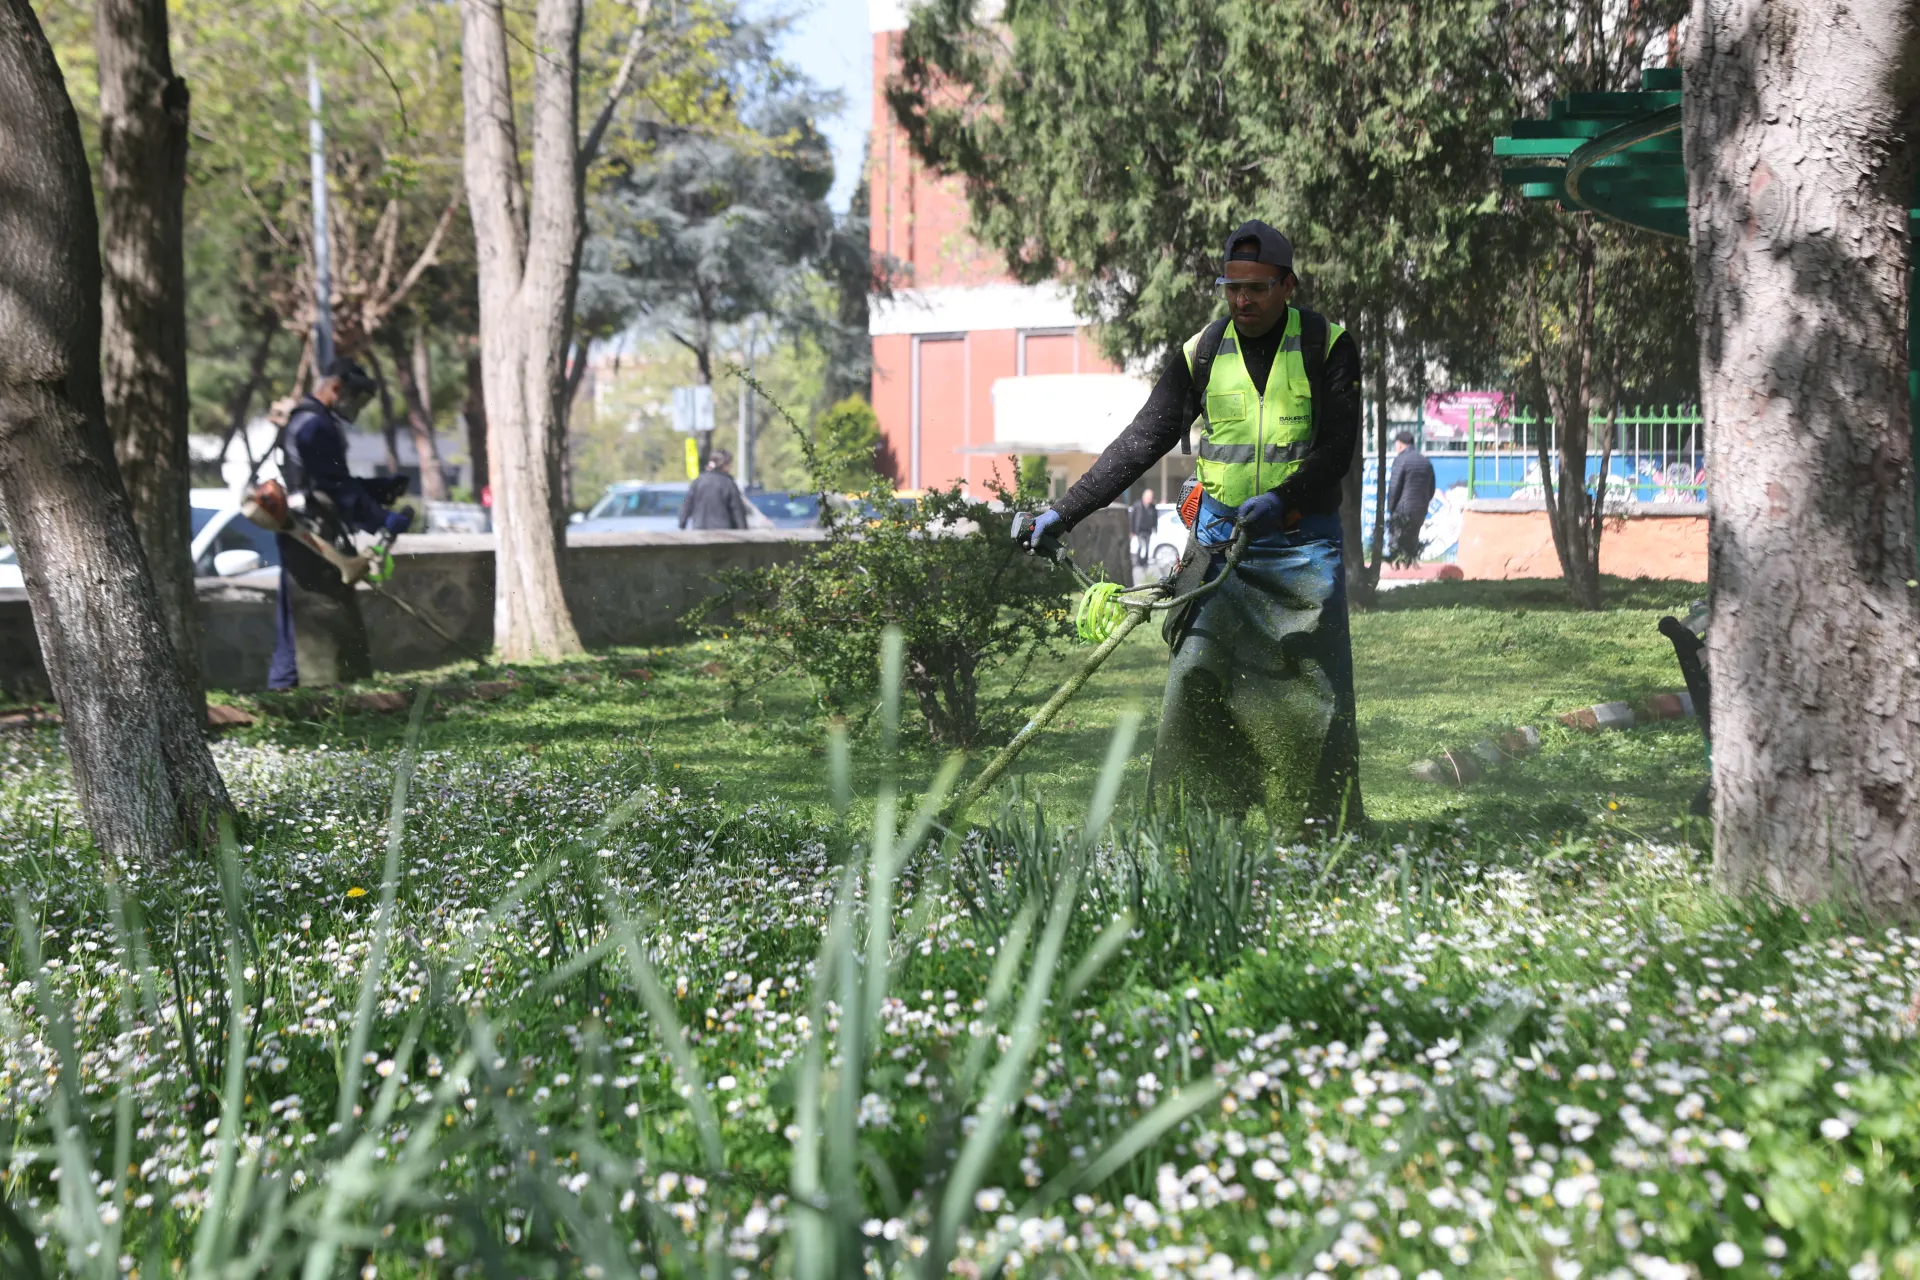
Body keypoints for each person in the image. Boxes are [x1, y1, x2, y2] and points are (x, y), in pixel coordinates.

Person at [1016, 220, 1365, 830]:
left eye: (1256, 288)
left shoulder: (1328, 346)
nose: (1242, 301)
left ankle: (1318, 831)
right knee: (1196, 684)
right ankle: (1190, 830)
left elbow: (1337, 450)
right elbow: (1141, 441)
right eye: (1232, 287)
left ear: (1288, 285)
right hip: (1219, 551)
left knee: (1312, 695)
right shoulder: (1201, 353)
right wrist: (1062, 513)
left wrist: (1283, 497)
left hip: (1303, 548)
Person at [267, 358, 413, 690]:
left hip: (304, 531)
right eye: (356, 400)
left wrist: (379, 489)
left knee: (300, 611)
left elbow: (329, 481)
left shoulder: (306, 419)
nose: (358, 409)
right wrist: (380, 519)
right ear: (335, 388)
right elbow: (332, 488)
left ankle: (285, 686)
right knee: (324, 612)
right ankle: (337, 691)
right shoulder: (314, 426)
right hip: (313, 535)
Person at [1385, 430, 1435, 565]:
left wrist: (1390, 507)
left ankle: (1396, 572)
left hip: (1402, 509)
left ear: (1400, 444)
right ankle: (1411, 571)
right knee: (1412, 542)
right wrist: (1423, 504)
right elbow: (1431, 488)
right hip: (1420, 509)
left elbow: (1394, 487)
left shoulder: (1400, 460)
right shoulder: (1425, 461)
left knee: (1396, 543)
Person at [680, 448, 750, 530]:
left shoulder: (698, 481)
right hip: (724, 533)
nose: (731, 467)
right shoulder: (728, 483)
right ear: (724, 465)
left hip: (700, 531)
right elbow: (737, 510)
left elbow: (687, 505)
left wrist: (682, 524)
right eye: (730, 464)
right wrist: (743, 530)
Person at [1129, 487, 1158, 567]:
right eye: (1148, 497)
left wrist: (1155, 528)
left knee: (1147, 547)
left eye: (1151, 497)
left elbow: (1155, 518)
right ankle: (1139, 562)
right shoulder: (1137, 505)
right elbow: (1132, 518)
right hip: (1139, 530)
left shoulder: (1153, 507)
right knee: (1141, 546)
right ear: (1144, 497)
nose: (1150, 499)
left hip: (1148, 530)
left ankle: (1145, 562)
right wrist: (1131, 530)